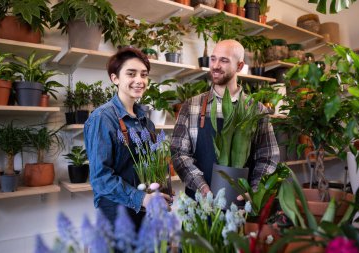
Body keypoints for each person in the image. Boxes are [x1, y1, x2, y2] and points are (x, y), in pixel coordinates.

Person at [170, 40, 280, 199]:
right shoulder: (191, 106)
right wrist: (203, 188)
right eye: (213, 59)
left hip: (240, 206)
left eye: (224, 60)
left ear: (240, 66)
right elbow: (179, 153)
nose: (215, 65)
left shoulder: (256, 110)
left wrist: (254, 191)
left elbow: (269, 156)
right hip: (199, 206)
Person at [84, 48, 172, 230]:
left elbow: (150, 166)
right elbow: (100, 177)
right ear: (114, 78)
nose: (139, 80)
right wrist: (143, 198)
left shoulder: (146, 122)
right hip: (117, 212)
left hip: (146, 210)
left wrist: (161, 191)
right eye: (131, 74)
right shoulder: (103, 118)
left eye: (144, 75)